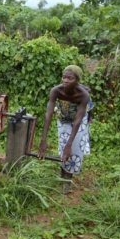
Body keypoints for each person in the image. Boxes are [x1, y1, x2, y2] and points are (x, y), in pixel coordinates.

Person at [37, 65, 93, 193]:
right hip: (63, 118)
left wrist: (70, 144)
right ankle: (63, 172)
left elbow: (78, 119)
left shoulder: (83, 95)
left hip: (79, 120)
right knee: (63, 147)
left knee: (74, 149)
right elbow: (49, 114)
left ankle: (68, 180)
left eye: (70, 78)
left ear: (77, 80)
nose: (65, 80)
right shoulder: (56, 91)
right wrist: (43, 140)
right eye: (64, 77)